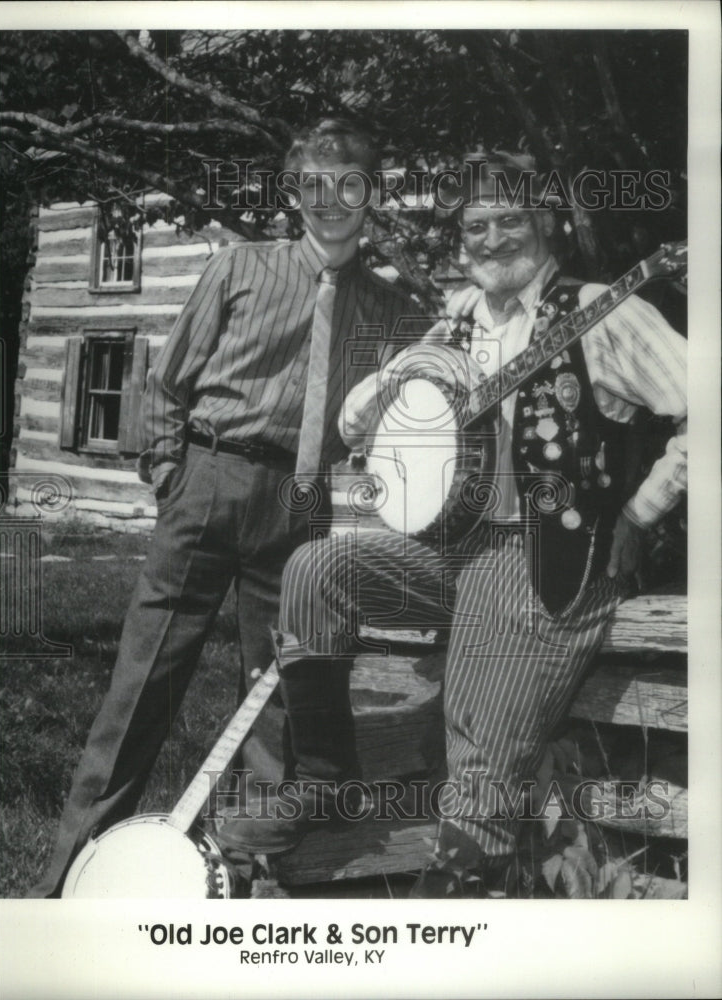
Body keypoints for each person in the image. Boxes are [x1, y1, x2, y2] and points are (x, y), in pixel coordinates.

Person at [217, 154, 687, 897]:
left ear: (548, 224)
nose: (494, 238)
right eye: (477, 224)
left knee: (479, 735)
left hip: (545, 559)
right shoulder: (458, 319)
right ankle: (326, 782)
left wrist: (644, 510)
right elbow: (352, 418)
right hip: (452, 553)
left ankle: (458, 902)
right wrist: (408, 379)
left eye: (511, 220)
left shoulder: (602, 308)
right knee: (315, 571)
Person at [29, 119, 425, 897]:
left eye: (351, 184)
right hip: (211, 481)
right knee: (144, 684)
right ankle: (70, 878)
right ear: (293, 193)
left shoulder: (387, 309)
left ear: (372, 196)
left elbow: (427, 388)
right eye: (316, 184)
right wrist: (172, 465)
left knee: (274, 691)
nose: (332, 201)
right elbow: (170, 380)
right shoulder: (241, 267)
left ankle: (252, 883)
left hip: (302, 503)